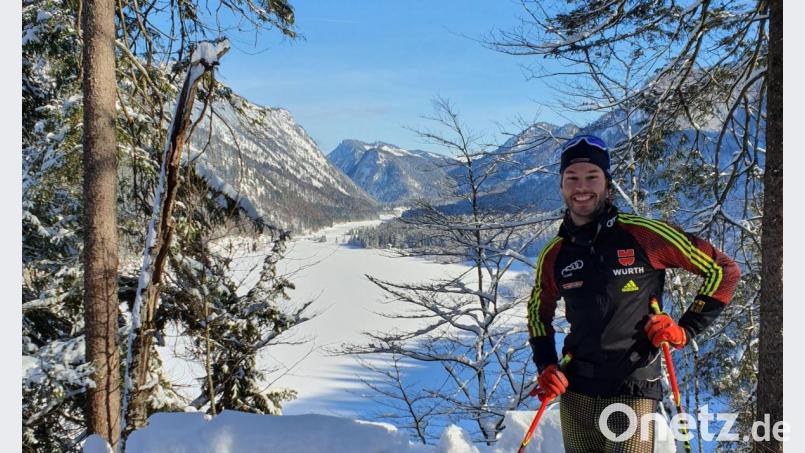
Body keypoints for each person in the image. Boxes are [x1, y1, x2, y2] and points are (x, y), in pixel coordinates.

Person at [527, 134, 741, 452]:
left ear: (607, 185)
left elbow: (723, 270)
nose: (581, 186)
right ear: (561, 187)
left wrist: (684, 329)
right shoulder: (555, 253)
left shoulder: (644, 235)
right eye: (571, 178)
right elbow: (537, 315)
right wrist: (546, 366)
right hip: (577, 393)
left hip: (634, 387)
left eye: (591, 177)